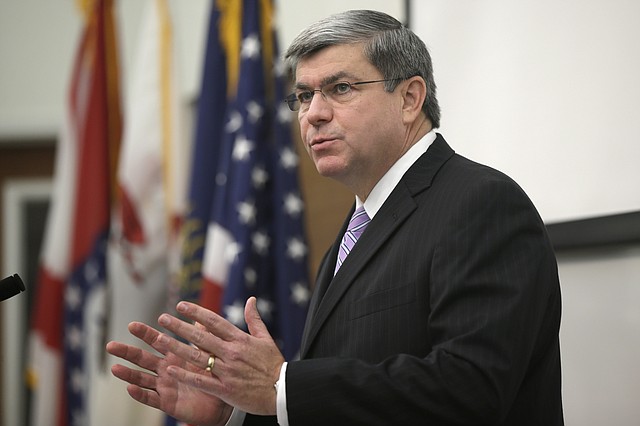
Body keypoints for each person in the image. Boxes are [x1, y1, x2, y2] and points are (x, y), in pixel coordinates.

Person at [106, 9, 564, 426]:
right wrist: (240, 411)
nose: (314, 115)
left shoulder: (481, 204)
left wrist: (284, 388)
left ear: (409, 98)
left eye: (340, 89)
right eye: (304, 96)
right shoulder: (351, 233)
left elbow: (472, 390)